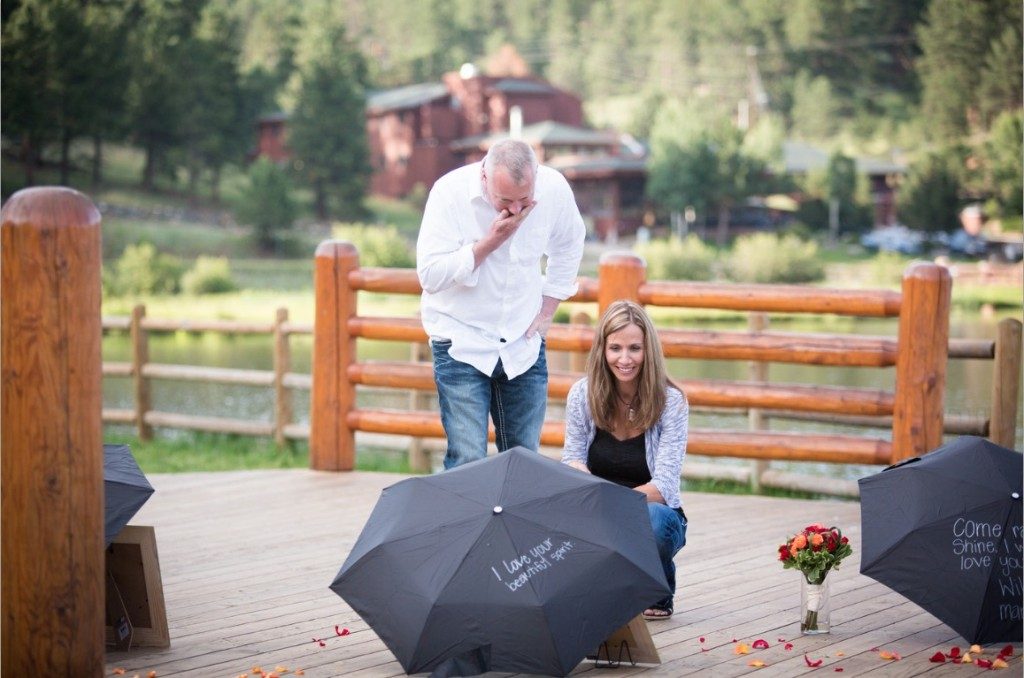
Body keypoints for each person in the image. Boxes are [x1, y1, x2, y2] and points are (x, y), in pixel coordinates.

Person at [416, 139, 586, 470]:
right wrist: (490, 242)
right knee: (467, 459)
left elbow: (569, 244)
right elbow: (430, 275)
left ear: (536, 176)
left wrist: (548, 310)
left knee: (523, 461)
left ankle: (515, 524)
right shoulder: (449, 193)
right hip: (460, 340)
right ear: (484, 177)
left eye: (525, 200)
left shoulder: (553, 189)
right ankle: (465, 523)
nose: (518, 209)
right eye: (505, 200)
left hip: (522, 342)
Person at [561, 300, 689, 620]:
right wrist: (581, 480)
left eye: (635, 348)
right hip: (596, 510)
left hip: (649, 511)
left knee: (657, 522)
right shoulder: (582, 394)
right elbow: (572, 457)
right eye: (615, 348)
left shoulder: (670, 401)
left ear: (649, 351)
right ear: (602, 350)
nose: (625, 359)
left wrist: (609, 502)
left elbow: (663, 487)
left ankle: (657, 590)